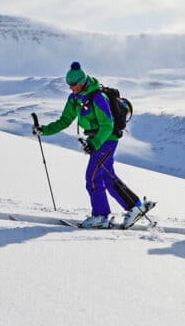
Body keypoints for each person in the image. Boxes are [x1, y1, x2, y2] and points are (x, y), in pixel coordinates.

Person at [37, 62, 153, 228]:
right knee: (106, 177)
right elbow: (64, 121)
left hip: (106, 140)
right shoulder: (75, 99)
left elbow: (107, 125)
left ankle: (100, 217)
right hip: (96, 141)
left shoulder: (98, 98)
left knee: (92, 177)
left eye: (74, 84)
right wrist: (44, 130)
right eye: (68, 85)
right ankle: (135, 208)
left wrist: (95, 143)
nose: (71, 88)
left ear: (83, 81)